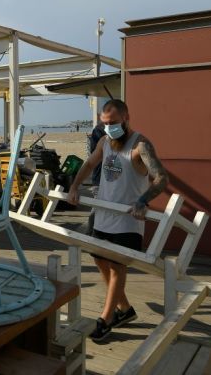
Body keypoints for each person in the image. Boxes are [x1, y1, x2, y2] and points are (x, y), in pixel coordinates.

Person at [67, 99, 169, 342]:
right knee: (100, 259)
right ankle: (125, 309)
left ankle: (106, 317)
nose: (108, 127)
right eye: (104, 123)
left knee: (116, 266)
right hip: (103, 215)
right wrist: (74, 186)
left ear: (126, 117)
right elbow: (90, 163)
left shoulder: (140, 146)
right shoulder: (104, 142)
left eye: (112, 123)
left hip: (127, 220)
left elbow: (161, 178)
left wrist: (143, 201)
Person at [86, 116, 106, 234]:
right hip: (100, 179)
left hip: (108, 179)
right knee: (97, 209)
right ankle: (89, 237)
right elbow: (91, 162)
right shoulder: (99, 131)